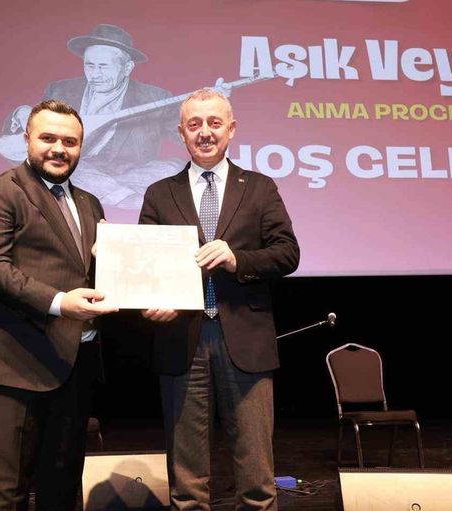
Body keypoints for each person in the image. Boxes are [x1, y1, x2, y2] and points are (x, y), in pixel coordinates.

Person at [138, 89, 300, 510]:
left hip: (245, 340)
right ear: (181, 133)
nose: (205, 132)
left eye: (214, 123)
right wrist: (151, 299)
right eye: (194, 124)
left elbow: (287, 253)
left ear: (231, 129)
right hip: (181, 340)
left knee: (257, 477)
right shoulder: (159, 193)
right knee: (186, 481)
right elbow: (146, 265)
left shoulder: (260, 187)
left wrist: (236, 258)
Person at [0, 99, 118, 510]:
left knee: (62, 488)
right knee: (7, 492)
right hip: (13, 364)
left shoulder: (90, 203)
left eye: (70, 141)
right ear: (26, 139)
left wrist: (116, 265)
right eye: (48, 138)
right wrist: (60, 302)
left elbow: (84, 272)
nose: (59, 149)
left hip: (75, 365)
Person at [0, 24, 184, 209]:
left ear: (127, 68)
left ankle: (100, 194)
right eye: (90, 65)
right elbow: (32, 135)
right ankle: (127, 199)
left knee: (175, 169)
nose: (95, 74)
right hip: (75, 169)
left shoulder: (155, 98)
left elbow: (184, 135)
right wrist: (21, 113)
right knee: (61, 167)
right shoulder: (61, 91)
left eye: (103, 66)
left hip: (130, 174)